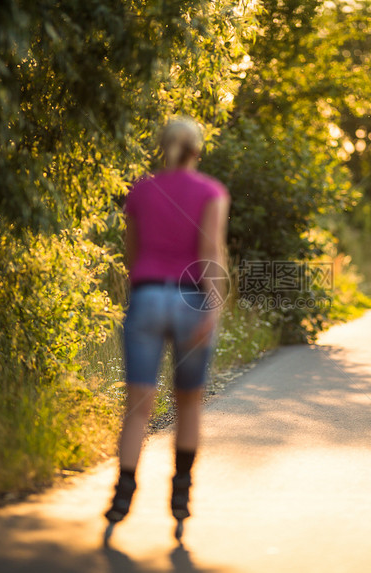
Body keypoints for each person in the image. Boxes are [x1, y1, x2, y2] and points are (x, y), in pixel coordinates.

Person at [104, 118, 230, 542]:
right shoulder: (211, 192)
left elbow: (132, 252)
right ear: (197, 150)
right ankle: (180, 498)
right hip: (192, 298)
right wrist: (212, 306)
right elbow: (209, 250)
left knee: (138, 404)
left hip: (146, 297)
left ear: (162, 149)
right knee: (189, 404)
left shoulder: (140, 191)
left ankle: (122, 496)